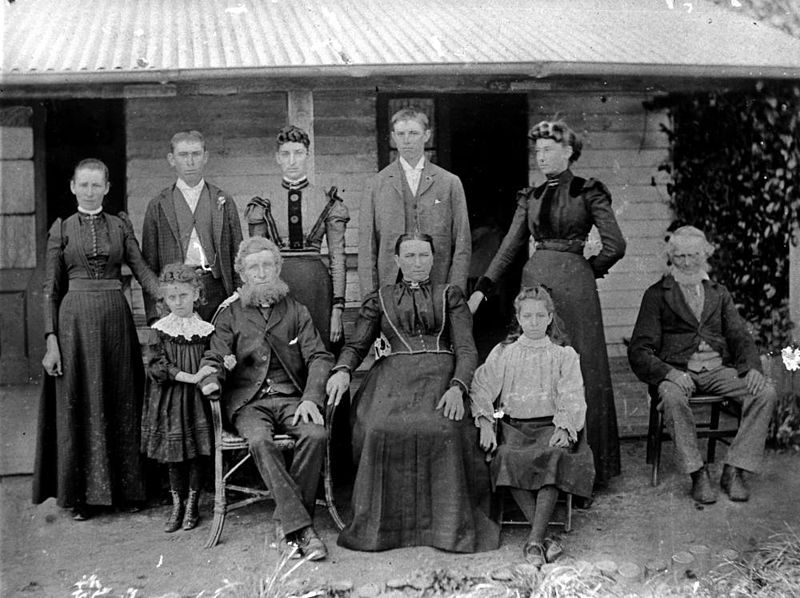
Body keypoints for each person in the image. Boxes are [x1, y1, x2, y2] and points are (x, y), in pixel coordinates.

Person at [468, 120, 626, 486]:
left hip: (576, 292)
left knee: (580, 367)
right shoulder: (531, 197)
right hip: (535, 286)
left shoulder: (589, 192)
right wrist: (481, 290)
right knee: (533, 366)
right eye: (537, 151)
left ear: (569, 151)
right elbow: (508, 249)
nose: (541, 156)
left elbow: (616, 244)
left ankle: (589, 468)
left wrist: (585, 270)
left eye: (549, 149)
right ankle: (536, 463)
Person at [327, 233, 499, 553]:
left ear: (434, 259)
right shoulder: (380, 298)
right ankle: (385, 528)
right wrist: (341, 370)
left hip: (442, 378)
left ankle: (447, 528)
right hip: (391, 380)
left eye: (423, 256)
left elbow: (466, 349)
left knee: (444, 428)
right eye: (409, 256)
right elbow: (356, 345)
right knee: (377, 429)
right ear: (397, 261)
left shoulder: (450, 296)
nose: (417, 263)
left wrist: (458, 387)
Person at [34, 158, 160, 520]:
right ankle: (83, 497)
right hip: (73, 322)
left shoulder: (120, 225)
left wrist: (172, 300)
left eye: (96, 185)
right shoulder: (62, 229)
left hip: (115, 320)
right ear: (73, 187)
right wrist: (51, 340)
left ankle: (129, 490)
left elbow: (142, 272)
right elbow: (50, 290)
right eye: (83, 185)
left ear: (107, 188)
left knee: (121, 397)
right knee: (83, 401)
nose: (90, 191)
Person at [198, 237, 334, 560]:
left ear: (277, 269)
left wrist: (311, 398)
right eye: (253, 267)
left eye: (267, 265)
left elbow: (319, 357)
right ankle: (303, 530)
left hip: (291, 397)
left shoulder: (296, 310)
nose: (260, 273)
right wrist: (210, 379)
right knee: (260, 440)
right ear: (243, 274)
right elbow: (214, 357)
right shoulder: (231, 314)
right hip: (248, 402)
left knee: (316, 434)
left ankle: (287, 523)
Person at [628, 226, 777, 504]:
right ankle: (697, 473)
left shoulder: (718, 293)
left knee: (764, 392)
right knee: (672, 398)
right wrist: (669, 373)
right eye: (679, 256)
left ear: (704, 255)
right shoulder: (657, 294)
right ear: (671, 258)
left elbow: (738, 335)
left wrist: (752, 368)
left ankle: (734, 469)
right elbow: (639, 350)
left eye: (693, 255)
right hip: (677, 372)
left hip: (718, 369)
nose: (686, 262)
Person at [470, 286, 595, 565]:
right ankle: (544, 537)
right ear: (519, 317)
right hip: (513, 427)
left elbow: (572, 393)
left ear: (550, 317)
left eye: (541, 315)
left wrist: (564, 426)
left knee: (553, 456)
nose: (534, 322)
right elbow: (481, 388)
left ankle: (534, 541)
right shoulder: (504, 352)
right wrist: (486, 422)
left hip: (549, 426)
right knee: (505, 457)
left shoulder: (564, 355)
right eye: (528, 316)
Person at [245, 125, 349, 349]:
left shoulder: (327, 201)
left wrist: (337, 309)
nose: (292, 161)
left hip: (317, 290)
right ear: (277, 158)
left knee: (320, 351)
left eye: (298, 153)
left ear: (307, 156)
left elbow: (337, 258)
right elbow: (254, 259)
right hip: (279, 287)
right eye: (286, 154)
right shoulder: (264, 202)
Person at [358, 106, 471, 297]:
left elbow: (462, 243)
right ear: (393, 137)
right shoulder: (376, 184)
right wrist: (371, 298)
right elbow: (367, 248)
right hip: (391, 288)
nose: (407, 140)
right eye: (401, 134)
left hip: (438, 285)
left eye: (413, 133)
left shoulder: (449, 182)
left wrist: (455, 293)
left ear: (427, 135)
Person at [141, 264, 217, 533]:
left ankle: (193, 504)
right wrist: (188, 376)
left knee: (195, 453)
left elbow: (212, 359)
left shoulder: (206, 330)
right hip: (170, 402)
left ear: (196, 294)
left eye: (183, 296)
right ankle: (177, 505)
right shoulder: (161, 329)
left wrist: (217, 366)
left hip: (196, 402)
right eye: (171, 297)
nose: (177, 302)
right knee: (175, 455)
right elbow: (156, 366)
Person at [142, 130, 243, 323]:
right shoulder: (158, 205)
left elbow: (237, 254)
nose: (190, 162)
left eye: (196, 154)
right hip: (177, 293)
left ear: (205, 157)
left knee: (219, 348)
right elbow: (149, 265)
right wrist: (155, 315)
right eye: (183, 155)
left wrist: (238, 300)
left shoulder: (222, 200)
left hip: (217, 289)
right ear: (172, 159)